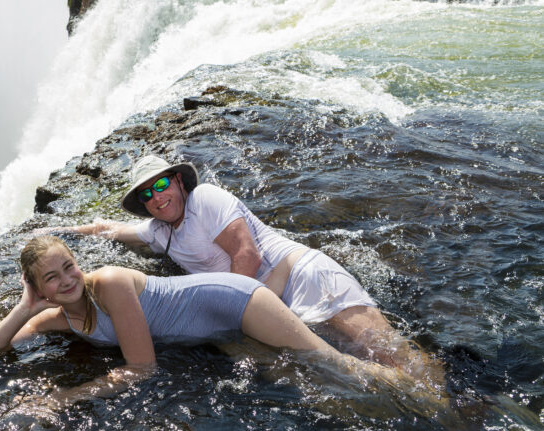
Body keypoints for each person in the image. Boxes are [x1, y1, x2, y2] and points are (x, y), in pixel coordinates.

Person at [42, 155, 443, 384]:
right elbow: (112, 230)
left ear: (179, 181)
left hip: (304, 278)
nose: (157, 197)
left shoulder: (207, 199)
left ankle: (466, 409)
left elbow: (246, 255)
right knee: (353, 374)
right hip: (267, 304)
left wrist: (246, 314)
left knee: (391, 354)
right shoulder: (158, 230)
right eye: (147, 195)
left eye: (161, 185)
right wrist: (58, 230)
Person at [0, 236, 441, 416]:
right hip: (220, 333)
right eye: (51, 279)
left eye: (69, 267)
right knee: (314, 382)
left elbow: (142, 368)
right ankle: (416, 402)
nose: (67, 280)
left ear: (80, 263)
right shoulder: (58, 316)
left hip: (236, 303)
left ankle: (434, 396)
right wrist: (23, 308)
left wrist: (63, 398)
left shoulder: (110, 283)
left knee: (331, 363)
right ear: (38, 287)